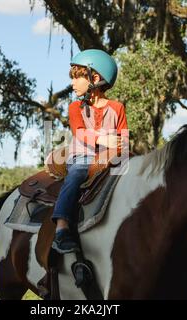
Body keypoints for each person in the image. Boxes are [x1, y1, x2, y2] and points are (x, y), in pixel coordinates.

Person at [51, 49, 128, 254]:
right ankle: (61, 229)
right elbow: (79, 132)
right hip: (82, 156)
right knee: (76, 173)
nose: (73, 83)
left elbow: (123, 138)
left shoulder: (117, 107)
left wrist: (118, 148)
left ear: (95, 78)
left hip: (110, 158)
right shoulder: (75, 107)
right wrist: (104, 139)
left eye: (77, 77)